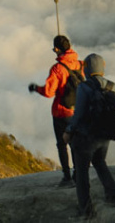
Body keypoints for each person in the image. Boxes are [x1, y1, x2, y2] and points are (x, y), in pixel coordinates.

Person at [65, 52, 115, 217]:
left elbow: (79, 114)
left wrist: (69, 131)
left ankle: (86, 209)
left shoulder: (84, 87)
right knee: (100, 163)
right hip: (105, 135)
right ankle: (112, 196)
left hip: (86, 137)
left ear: (87, 69)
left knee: (82, 173)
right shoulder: (113, 86)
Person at [28, 34, 83, 187]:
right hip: (77, 110)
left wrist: (35, 88)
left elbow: (48, 92)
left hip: (61, 112)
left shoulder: (58, 68)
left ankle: (67, 178)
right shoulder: (80, 64)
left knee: (62, 144)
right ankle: (78, 174)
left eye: (54, 49)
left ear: (58, 49)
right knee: (74, 144)